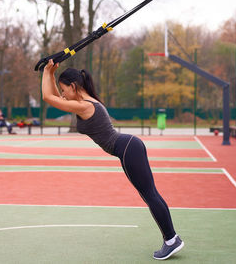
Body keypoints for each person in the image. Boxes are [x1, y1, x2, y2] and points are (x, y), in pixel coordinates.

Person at [41, 59, 184, 260]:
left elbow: (48, 97)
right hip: (129, 146)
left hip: (127, 148)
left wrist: (47, 72)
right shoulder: (87, 101)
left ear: (73, 86)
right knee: (150, 194)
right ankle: (171, 238)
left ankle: (171, 239)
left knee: (150, 195)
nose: (62, 94)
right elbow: (55, 96)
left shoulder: (84, 106)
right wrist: (52, 75)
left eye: (64, 89)